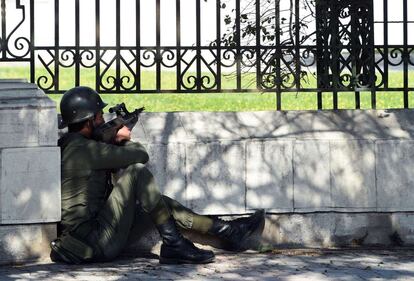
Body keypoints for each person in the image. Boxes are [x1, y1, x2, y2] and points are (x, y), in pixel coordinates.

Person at [50, 86, 264, 264]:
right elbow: (140, 155)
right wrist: (123, 139)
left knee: (160, 204)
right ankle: (173, 244)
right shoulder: (86, 150)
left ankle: (228, 231)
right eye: (99, 116)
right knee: (137, 172)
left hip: (95, 234)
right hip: (95, 241)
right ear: (89, 121)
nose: (102, 119)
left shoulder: (72, 146)